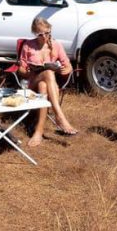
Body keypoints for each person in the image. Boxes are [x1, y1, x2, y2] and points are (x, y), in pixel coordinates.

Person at [18, 17, 78, 147]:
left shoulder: (56, 45)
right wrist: (28, 72)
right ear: (35, 33)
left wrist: (64, 70)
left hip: (48, 85)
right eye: (40, 34)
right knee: (47, 74)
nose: (44, 36)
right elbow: (21, 69)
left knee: (43, 86)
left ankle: (38, 132)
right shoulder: (28, 45)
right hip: (32, 82)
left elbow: (68, 66)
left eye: (47, 33)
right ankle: (59, 115)